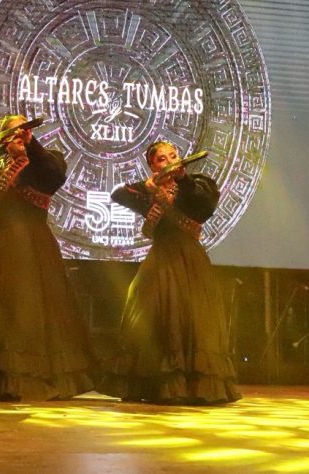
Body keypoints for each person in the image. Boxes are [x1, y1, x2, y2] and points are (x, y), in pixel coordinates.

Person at [0, 114, 94, 401]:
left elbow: (54, 177)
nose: (19, 134)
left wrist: (31, 147)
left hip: (33, 241)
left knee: (30, 305)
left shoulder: (45, 158)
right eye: (13, 131)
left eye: (24, 129)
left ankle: (33, 373)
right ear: (2, 138)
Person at [99, 141, 241, 405]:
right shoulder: (148, 191)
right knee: (148, 315)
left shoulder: (196, 185)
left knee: (193, 319)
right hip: (159, 261)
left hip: (189, 260)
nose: (169, 161)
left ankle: (194, 386)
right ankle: (154, 385)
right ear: (153, 166)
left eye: (173, 156)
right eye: (162, 159)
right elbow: (118, 194)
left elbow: (204, 206)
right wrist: (151, 187)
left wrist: (182, 179)